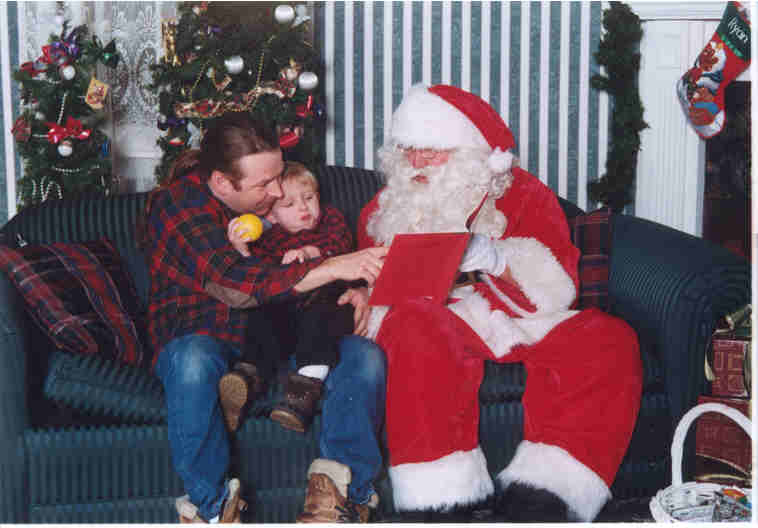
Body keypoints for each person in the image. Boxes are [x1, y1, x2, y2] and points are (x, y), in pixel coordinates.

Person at [357, 84, 642, 522]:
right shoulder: (387, 205)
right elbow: (369, 284)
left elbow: (558, 285)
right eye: (408, 149)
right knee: (415, 326)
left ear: (470, 152)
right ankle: (442, 505)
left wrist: (494, 258)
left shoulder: (523, 193)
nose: (416, 162)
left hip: (511, 313)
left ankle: (544, 500)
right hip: (429, 318)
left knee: (610, 338)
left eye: (431, 151)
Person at [139, 111, 388, 523]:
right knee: (192, 363)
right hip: (205, 333)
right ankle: (213, 510)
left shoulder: (280, 201)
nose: (276, 191)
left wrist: (361, 290)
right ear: (222, 182)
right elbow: (238, 285)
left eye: (278, 177)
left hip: (285, 330)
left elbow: (326, 248)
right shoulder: (179, 204)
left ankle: (342, 498)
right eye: (264, 185)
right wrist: (332, 267)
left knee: (365, 356)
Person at [221, 161, 358, 434]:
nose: (304, 208)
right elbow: (256, 278)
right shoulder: (271, 238)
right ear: (272, 217)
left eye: (309, 198)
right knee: (263, 315)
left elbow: (340, 244)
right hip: (288, 313)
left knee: (322, 315)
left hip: (328, 304)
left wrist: (309, 252)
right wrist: (242, 250)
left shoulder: (330, 220)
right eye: (290, 205)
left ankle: (305, 389)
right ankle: (249, 374)